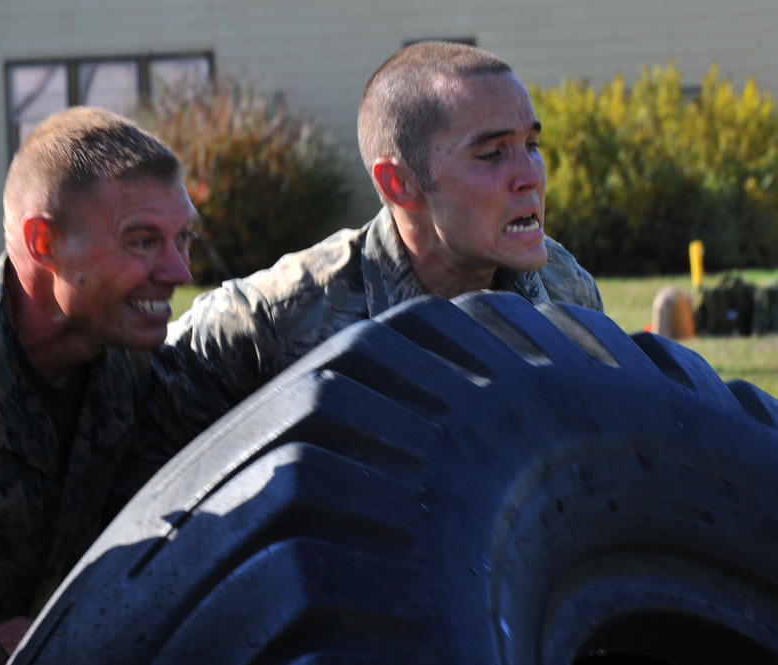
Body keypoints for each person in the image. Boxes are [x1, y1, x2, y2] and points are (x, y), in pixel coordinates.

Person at [143, 40, 604, 448]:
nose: (530, 177)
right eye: (492, 154)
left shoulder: (566, 291)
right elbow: (140, 464)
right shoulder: (273, 321)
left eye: (532, 145)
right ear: (399, 183)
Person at [0, 106, 197, 660]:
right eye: (142, 242)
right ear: (44, 243)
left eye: (183, 239)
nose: (179, 272)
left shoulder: (131, 362)